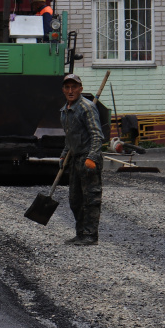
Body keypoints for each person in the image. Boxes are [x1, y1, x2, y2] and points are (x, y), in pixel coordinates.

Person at [59, 73, 105, 245]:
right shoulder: (65, 111)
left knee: (91, 199)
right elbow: (69, 137)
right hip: (75, 159)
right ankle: (80, 233)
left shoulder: (86, 107)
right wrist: (64, 154)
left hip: (88, 159)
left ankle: (90, 236)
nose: (71, 91)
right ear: (63, 90)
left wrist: (92, 157)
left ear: (80, 89)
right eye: (67, 87)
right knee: (75, 199)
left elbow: (96, 135)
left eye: (74, 87)